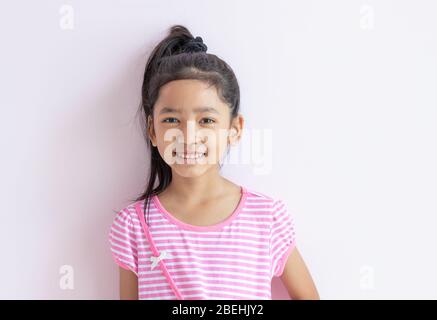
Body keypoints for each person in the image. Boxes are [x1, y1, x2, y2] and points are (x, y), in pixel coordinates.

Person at [108, 24, 319, 300]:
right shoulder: (133, 225)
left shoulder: (266, 218)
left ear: (235, 129)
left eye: (206, 120)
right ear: (152, 131)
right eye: (171, 120)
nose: (188, 136)